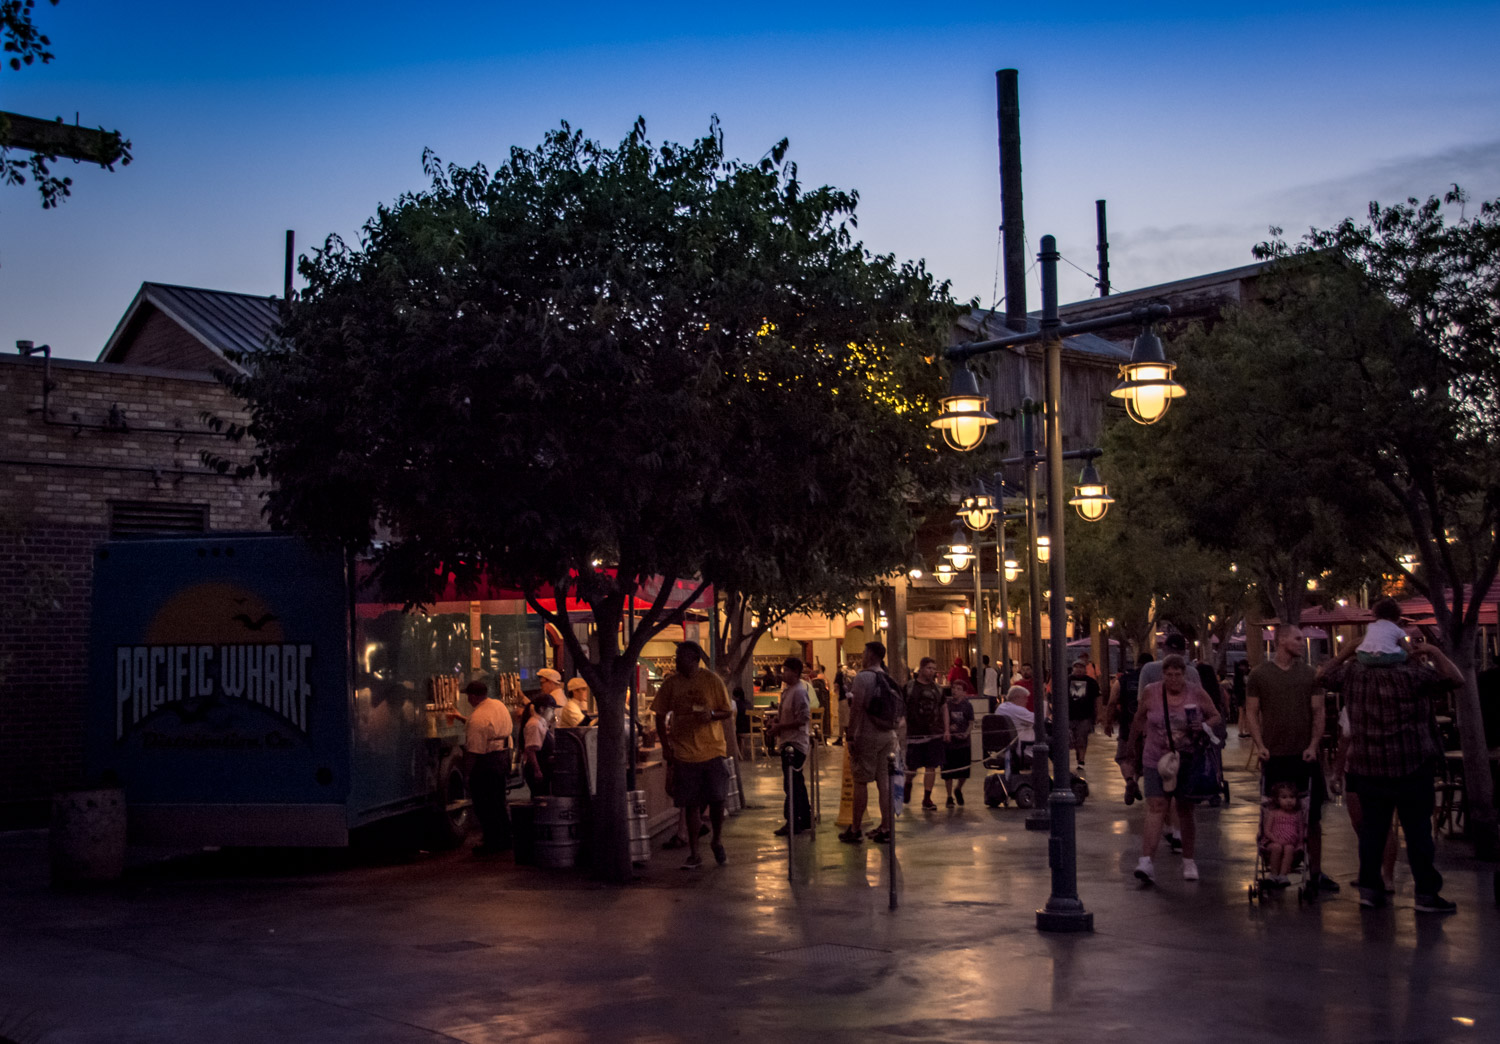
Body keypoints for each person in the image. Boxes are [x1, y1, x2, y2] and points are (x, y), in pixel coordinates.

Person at [1319, 633, 1464, 912]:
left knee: (1372, 832)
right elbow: (1457, 679)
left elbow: (1322, 677)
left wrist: (1346, 651)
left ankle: (1370, 889)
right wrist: (1432, 651)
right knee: (1417, 831)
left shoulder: (1354, 675)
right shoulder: (1414, 675)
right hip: (1410, 765)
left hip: (1370, 767)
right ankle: (1425, 894)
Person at [1245, 625, 1337, 895]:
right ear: (1281, 640)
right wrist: (1260, 744)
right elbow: (1252, 712)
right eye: (1297, 638)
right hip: (1274, 754)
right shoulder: (1259, 675)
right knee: (1271, 812)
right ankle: (1274, 870)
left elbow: (1319, 713)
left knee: (1313, 815)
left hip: (1303, 755)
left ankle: (1315, 872)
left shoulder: (1310, 675)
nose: (1301, 642)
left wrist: (1313, 745)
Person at [1131, 654, 1223, 884]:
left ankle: (1189, 860)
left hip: (1187, 759)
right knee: (1156, 806)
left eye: (1177, 675)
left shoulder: (1196, 693)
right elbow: (1139, 718)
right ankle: (1146, 861)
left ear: (1184, 674)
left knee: (1185, 810)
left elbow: (1215, 716)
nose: (1173, 679)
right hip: (1155, 758)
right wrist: (1131, 747)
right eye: (1169, 675)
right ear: (1163, 674)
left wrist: (1201, 725)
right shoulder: (1151, 692)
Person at [651, 641, 734, 869]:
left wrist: (712, 715)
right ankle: (694, 852)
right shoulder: (671, 684)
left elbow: (727, 711)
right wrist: (667, 746)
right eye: (676, 656)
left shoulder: (711, 680)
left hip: (713, 749)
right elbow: (659, 714)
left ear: (694, 659)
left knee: (717, 799)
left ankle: (716, 840)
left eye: (681, 657)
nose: (676, 660)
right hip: (685, 753)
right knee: (690, 804)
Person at [841, 641, 900, 844]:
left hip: (867, 734)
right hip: (888, 735)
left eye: (865, 653)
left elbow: (857, 708)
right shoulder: (887, 678)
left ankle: (855, 828)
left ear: (872, 656)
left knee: (860, 781)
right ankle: (886, 827)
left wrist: (850, 735)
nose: (862, 656)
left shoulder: (863, 677)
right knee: (884, 782)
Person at [452, 679, 513, 855]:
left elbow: (474, 751)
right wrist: (461, 718)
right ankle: (505, 838)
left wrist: (468, 775)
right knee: (499, 803)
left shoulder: (478, 718)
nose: (468, 700)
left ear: (472, 696)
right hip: (501, 758)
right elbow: (487, 728)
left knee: (484, 806)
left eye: (468, 696)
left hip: (486, 764)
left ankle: (492, 842)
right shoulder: (498, 706)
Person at [767, 657, 813, 836]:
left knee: (792, 784)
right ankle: (803, 817)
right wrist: (777, 722)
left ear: (795, 672)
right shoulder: (787, 691)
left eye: (786, 670)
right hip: (787, 741)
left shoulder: (800, 692)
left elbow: (802, 719)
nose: (782, 673)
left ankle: (793, 820)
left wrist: (781, 727)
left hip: (795, 743)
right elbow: (787, 714)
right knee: (795, 783)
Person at [1104, 652, 1150, 805]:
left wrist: (1108, 722)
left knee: (1125, 757)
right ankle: (1135, 780)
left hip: (1127, 724)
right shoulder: (1157, 680)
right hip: (1149, 726)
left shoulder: (1123, 680)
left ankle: (1130, 781)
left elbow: (1112, 702)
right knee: (1143, 758)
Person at [903, 657, 947, 811]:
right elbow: (902, 708)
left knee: (931, 766)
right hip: (914, 733)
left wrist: (946, 729)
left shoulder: (937, 689)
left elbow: (943, 708)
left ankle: (927, 798)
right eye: (929, 668)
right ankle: (908, 783)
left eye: (934, 668)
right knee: (912, 767)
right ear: (921, 669)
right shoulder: (910, 687)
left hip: (934, 733)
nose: (932, 671)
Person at [1262, 782, 1306, 886]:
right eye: (1284, 797)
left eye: (1292, 797)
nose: (1289, 800)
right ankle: (1273, 874)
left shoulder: (1297, 814)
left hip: (1290, 843)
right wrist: (1275, 839)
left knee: (1289, 848)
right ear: (1277, 800)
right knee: (1277, 847)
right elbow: (1267, 830)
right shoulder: (1273, 813)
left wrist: (1300, 843)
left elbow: (1301, 830)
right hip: (1273, 841)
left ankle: (1283, 875)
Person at [941, 682, 975, 806]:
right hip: (950, 743)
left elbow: (971, 722)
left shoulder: (967, 706)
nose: (955, 690)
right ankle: (949, 796)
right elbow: (943, 721)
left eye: (958, 688)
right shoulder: (947, 705)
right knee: (948, 771)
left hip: (963, 743)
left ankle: (958, 788)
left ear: (964, 692)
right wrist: (948, 729)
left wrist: (966, 733)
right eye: (953, 688)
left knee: (964, 771)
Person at [1067, 658, 1102, 773]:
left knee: (1082, 738)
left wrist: (1099, 714)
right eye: (1076, 667)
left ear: (1085, 669)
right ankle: (1075, 755)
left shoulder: (1091, 682)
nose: (1078, 669)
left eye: (1081, 667)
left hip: (1085, 716)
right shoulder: (1066, 681)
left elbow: (1098, 698)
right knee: (1070, 739)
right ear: (1073, 669)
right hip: (1069, 716)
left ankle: (1081, 760)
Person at [523, 692, 558, 798]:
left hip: (545, 767)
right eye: (551, 709)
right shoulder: (534, 724)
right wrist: (537, 770)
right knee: (540, 799)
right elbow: (531, 749)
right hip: (539, 768)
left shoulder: (542, 723)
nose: (553, 713)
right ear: (542, 709)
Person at [1358, 597, 1410, 666]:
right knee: (1404, 654)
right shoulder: (1397, 629)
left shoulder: (1371, 626)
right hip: (1387, 658)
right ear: (1396, 615)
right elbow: (1407, 647)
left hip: (1365, 658)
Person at [1233, 660, 1251, 735]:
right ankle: (1245, 730)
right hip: (1243, 696)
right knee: (1245, 714)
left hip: (1240, 696)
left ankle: (1242, 730)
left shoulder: (1237, 675)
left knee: (1241, 714)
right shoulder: (1243, 675)